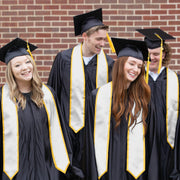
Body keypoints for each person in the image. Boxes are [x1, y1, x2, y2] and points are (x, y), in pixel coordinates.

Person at [0, 38, 83, 180]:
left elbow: (60, 131)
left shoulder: (48, 94)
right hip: (17, 171)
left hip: (47, 167)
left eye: (27, 62)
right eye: (17, 65)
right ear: (11, 71)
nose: (25, 68)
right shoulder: (3, 98)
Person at [47, 8, 114, 176]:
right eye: (98, 39)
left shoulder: (109, 64)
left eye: (104, 39)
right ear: (85, 36)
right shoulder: (63, 59)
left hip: (96, 130)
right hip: (67, 130)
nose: (102, 44)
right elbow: (52, 93)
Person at [85, 38, 159, 180]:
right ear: (120, 64)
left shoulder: (144, 100)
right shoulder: (97, 96)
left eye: (139, 66)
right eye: (131, 64)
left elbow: (152, 143)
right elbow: (89, 139)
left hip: (135, 173)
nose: (135, 70)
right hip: (107, 170)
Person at [136, 28, 180, 180]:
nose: (152, 57)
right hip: (141, 140)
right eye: (148, 54)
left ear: (164, 54)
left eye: (156, 54)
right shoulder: (137, 80)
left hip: (167, 142)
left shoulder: (176, 80)